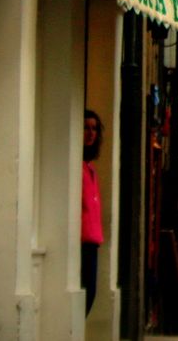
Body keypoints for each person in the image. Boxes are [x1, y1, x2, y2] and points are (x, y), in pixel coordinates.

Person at [80, 110, 104, 316]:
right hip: (81, 239)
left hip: (92, 239)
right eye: (86, 128)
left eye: (94, 129)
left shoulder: (90, 168)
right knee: (86, 292)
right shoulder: (79, 167)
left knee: (90, 292)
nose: (90, 133)